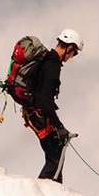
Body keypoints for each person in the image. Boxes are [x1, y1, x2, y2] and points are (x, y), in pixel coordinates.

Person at [23, 29, 83, 183]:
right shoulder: (52, 66)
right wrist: (59, 126)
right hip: (39, 116)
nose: (72, 57)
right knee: (54, 159)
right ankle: (42, 193)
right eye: (74, 53)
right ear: (69, 48)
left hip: (35, 114)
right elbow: (44, 99)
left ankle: (55, 191)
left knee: (55, 154)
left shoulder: (47, 60)